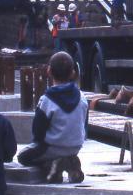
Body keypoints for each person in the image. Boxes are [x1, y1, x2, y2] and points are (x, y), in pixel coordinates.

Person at [17, 51, 87, 184]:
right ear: (72, 73)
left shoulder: (46, 100)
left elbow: (38, 132)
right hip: (76, 146)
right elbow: (83, 123)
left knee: (23, 157)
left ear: (49, 71)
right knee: (59, 150)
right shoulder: (82, 97)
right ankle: (70, 161)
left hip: (52, 147)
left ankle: (52, 165)